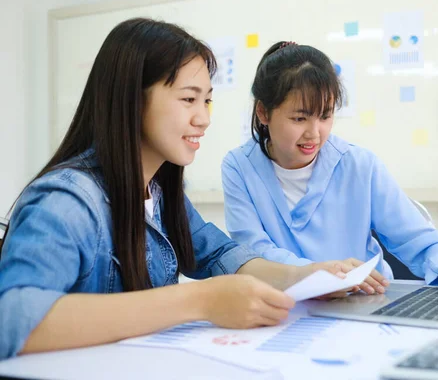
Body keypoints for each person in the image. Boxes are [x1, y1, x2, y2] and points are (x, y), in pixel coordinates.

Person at [0, 21, 348, 360]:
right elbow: (11, 319)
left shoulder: (161, 193)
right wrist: (198, 300)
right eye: (188, 99)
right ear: (133, 101)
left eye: (207, 101)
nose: (204, 118)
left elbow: (217, 255)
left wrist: (303, 276)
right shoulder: (67, 203)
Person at [221, 41, 438, 295]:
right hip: (284, 306)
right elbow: (253, 253)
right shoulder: (239, 168)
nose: (314, 133)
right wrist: (315, 274)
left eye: (325, 116)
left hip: (363, 302)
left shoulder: (359, 165)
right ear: (264, 113)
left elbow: (415, 238)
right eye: (299, 118)